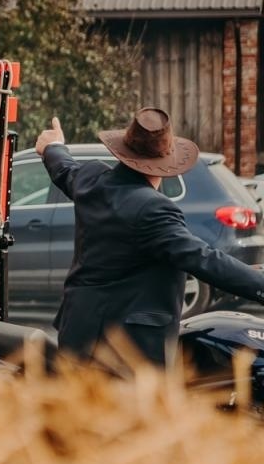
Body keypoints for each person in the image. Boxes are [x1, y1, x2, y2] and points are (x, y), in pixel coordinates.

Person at [37, 107, 264, 368]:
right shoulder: (153, 209)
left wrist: (53, 146)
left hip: (77, 331)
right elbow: (203, 259)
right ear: (166, 166)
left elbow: (65, 170)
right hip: (126, 350)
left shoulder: (92, 179)